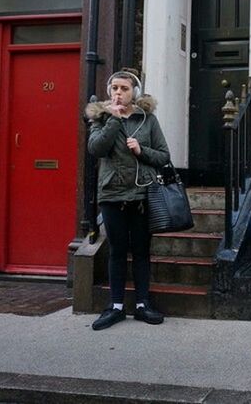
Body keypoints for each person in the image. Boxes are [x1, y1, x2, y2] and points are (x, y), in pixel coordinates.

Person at [85, 68, 170, 330]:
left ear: (135, 92)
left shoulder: (147, 119)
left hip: (143, 194)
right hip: (112, 195)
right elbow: (96, 148)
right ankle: (117, 306)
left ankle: (143, 304)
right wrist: (113, 119)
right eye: (114, 88)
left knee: (142, 251)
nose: (118, 93)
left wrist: (141, 150)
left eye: (124, 89)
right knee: (117, 251)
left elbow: (163, 156)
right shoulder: (100, 118)